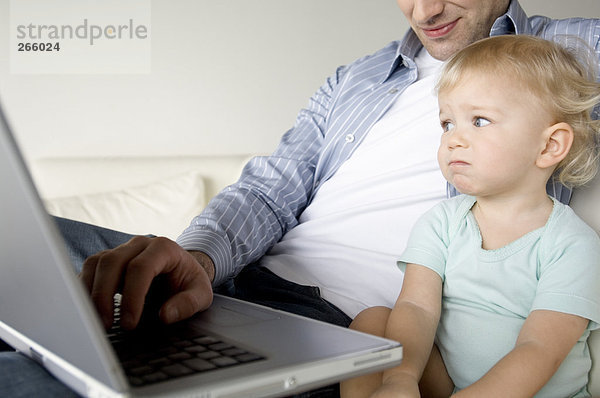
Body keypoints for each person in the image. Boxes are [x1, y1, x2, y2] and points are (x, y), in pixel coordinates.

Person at [1, 1, 599, 397]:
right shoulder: (355, 79)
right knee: (29, 251)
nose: (425, 10)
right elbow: (267, 190)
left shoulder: (574, 48)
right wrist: (195, 258)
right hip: (231, 290)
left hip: (338, 325)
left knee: (40, 376)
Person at [340, 35, 600, 398]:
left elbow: (539, 351)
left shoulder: (572, 245)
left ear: (549, 145)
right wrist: (401, 378)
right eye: (448, 123)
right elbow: (416, 307)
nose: (453, 140)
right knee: (372, 322)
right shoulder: (442, 222)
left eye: (479, 121)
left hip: (534, 392)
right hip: (450, 380)